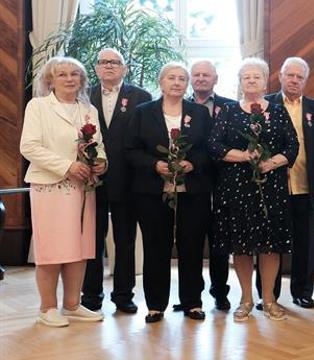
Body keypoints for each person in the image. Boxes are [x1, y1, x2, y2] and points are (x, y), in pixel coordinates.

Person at [207, 57, 298, 321]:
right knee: (242, 246)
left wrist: (270, 163)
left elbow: (292, 147)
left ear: (265, 80)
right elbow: (214, 146)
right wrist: (245, 156)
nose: (251, 80)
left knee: (270, 246)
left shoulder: (278, 111)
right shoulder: (228, 111)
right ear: (240, 82)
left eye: (256, 76)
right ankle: (246, 299)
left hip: (271, 187)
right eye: (246, 76)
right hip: (236, 188)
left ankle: (268, 299)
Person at [21, 56, 107, 326]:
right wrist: (67, 166)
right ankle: (48, 308)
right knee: (51, 247)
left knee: (79, 247)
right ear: (50, 80)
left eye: (75, 74)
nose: (70, 79)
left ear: (81, 79)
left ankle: (72, 304)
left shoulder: (88, 110)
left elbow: (98, 145)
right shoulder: (38, 107)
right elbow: (30, 147)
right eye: (62, 75)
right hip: (50, 185)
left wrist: (101, 162)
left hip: (84, 188)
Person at [124, 62, 213, 323]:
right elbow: (130, 150)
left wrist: (192, 163)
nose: (176, 82)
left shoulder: (199, 113)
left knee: (192, 246)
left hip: (192, 190)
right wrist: (155, 164)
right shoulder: (142, 113)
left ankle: (192, 302)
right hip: (152, 191)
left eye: (181, 78)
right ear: (161, 82)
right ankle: (155, 305)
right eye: (171, 78)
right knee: (156, 247)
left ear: (187, 85)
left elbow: (210, 148)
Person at [82, 48, 151, 314]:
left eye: (115, 62)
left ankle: (123, 295)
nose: (109, 66)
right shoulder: (84, 97)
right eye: (103, 62)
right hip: (92, 179)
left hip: (129, 179)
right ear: (96, 69)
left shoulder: (141, 97)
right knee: (92, 239)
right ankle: (91, 296)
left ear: (125, 68)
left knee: (125, 240)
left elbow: (145, 139)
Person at [256, 57, 314, 309]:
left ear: (306, 80)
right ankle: (267, 294)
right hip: (272, 185)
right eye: (290, 75)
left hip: (305, 184)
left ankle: (303, 291)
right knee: (269, 241)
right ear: (280, 77)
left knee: (304, 242)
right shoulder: (265, 104)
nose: (294, 80)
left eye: (300, 77)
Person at [170, 59, 236, 312]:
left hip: (223, 181)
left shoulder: (229, 106)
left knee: (219, 241)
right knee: (191, 241)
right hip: (190, 183)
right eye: (195, 75)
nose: (200, 79)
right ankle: (191, 296)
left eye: (205, 75)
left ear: (215, 79)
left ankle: (220, 292)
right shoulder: (178, 106)